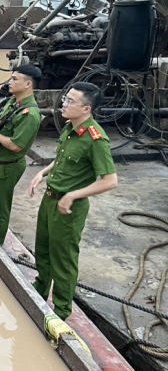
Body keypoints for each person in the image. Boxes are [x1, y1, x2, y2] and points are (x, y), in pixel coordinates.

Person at [28, 81, 118, 320]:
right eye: (65, 98)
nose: (63, 104)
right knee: (43, 250)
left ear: (86, 109)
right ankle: (39, 291)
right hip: (50, 201)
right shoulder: (70, 127)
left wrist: (72, 195)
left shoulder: (95, 139)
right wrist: (43, 172)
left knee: (63, 260)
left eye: (70, 101)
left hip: (69, 208)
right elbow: (63, 159)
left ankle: (61, 311)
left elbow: (110, 180)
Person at [0, 64, 42, 245]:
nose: (10, 82)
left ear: (28, 84)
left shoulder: (30, 114)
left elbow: (16, 146)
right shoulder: (13, 102)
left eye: (14, 79)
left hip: (6, 168)